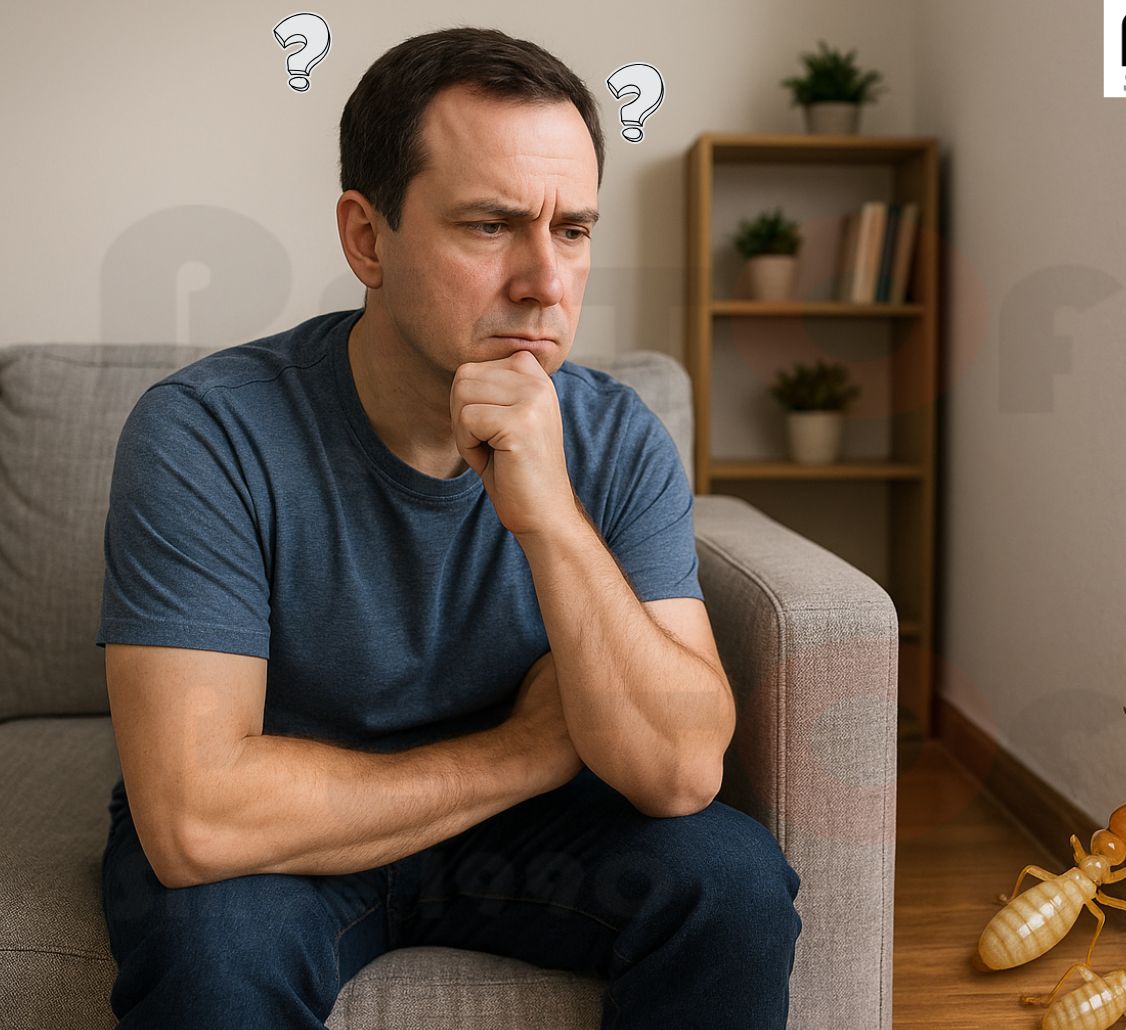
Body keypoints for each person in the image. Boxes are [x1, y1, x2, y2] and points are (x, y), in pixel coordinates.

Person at [95, 27, 802, 1030]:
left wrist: (550, 515)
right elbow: (196, 816)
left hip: (528, 840)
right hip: (288, 841)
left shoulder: (613, 437)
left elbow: (682, 769)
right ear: (366, 237)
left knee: (731, 882)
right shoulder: (205, 432)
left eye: (573, 230)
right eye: (489, 225)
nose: (545, 282)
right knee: (214, 948)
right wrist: (528, 749)